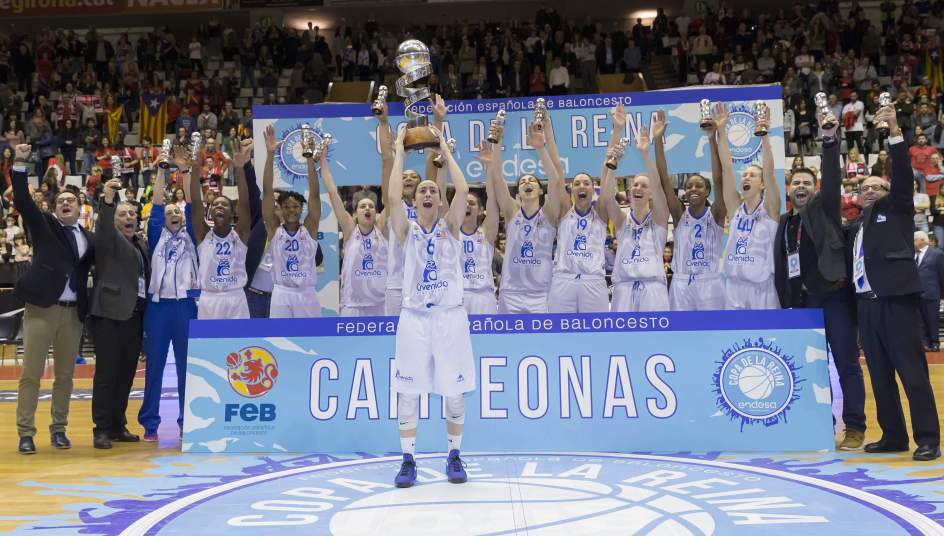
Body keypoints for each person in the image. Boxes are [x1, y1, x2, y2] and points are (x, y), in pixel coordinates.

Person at [774, 111, 867, 451]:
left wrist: (829, 140)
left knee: (845, 364)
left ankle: (855, 427)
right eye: (795, 183)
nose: (801, 187)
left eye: (806, 183)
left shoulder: (825, 209)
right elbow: (784, 267)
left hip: (835, 298)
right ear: (788, 189)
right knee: (813, 370)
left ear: (814, 190)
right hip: (804, 305)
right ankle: (821, 425)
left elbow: (831, 175)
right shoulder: (784, 223)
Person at [851, 106, 940, 461]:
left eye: (877, 186)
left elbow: (902, 175)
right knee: (880, 376)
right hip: (867, 305)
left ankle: (928, 438)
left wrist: (894, 133)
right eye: (864, 187)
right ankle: (893, 435)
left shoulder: (898, 208)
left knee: (912, 372)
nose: (870, 190)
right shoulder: (858, 226)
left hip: (896, 301)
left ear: (889, 190)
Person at [388, 125, 474, 488]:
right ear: (415, 200)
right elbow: (392, 199)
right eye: (421, 189)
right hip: (414, 318)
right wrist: (398, 153)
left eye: (433, 190)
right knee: (407, 393)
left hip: (449, 316)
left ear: (440, 201)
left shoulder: (451, 225)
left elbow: (466, 189)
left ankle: (454, 454)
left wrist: (446, 151)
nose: (426, 192)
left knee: (454, 391)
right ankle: (408, 459)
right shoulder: (406, 228)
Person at [11, 144, 93, 454]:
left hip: (72, 316)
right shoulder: (45, 226)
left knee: (65, 377)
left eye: (72, 199)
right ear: (55, 207)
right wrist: (20, 162)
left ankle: (59, 429)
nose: (66, 203)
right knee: (31, 374)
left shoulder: (88, 237)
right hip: (41, 311)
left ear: (80, 206)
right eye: (61, 200)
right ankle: (25, 432)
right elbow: (22, 199)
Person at [138, 147, 199, 442]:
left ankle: (187, 419)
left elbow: (192, 204)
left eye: (179, 211)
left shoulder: (193, 235)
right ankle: (150, 421)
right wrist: (163, 170)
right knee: (155, 367)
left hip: (187, 306)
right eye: (170, 212)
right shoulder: (156, 233)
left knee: (188, 367)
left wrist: (185, 172)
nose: (175, 213)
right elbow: (158, 202)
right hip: (158, 307)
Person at [88, 178, 149, 449]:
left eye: (132, 214)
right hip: (110, 315)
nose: (128, 218)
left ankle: (117, 425)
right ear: (114, 220)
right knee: (106, 374)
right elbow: (102, 227)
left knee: (125, 374)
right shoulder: (107, 239)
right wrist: (109, 200)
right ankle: (101, 428)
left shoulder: (140, 244)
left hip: (134, 316)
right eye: (122, 214)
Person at [489, 115, 563, 313]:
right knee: (509, 344)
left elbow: (555, 181)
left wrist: (540, 148)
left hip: (541, 292)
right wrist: (497, 143)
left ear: (540, 190)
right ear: (518, 193)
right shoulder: (512, 211)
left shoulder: (548, 212)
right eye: (522, 182)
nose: (527, 183)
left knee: (542, 343)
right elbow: (497, 179)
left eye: (532, 181)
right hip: (510, 292)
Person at [381, 96, 447, 316]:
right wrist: (383, 123)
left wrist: (437, 121)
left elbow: (432, 162)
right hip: (397, 284)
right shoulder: (394, 206)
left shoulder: (429, 207)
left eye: (413, 177)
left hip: (425, 283)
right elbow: (387, 163)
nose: (408, 178)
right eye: (404, 176)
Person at [656, 106, 727, 310]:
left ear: (707, 191)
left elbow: (719, 178)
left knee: (712, 336)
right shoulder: (679, 214)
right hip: (681, 283)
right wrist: (658, 141)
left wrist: (712, 138)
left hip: (710, 283)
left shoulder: (716, 213)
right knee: (681, 337)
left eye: (698, 185)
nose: (692, 189)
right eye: (688, 186)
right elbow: (663, 179)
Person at [600, 106, 670, 312]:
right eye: (634, 185)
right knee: (622, 344)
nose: (637, 188)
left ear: (650, 194)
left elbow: (658, 186)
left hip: (653, 289)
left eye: (643, 185)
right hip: (624, 289)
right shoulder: (622, 220)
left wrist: (646, 154)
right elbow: (606, 196)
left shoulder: (659, 218)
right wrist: (612, 166)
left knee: (656, 343)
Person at [719, 106, 781, 309]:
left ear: (762, 184)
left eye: (752, 175)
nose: (746, 177)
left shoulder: (770, 209)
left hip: (761, 289)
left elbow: (770, 173)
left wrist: (764, 137)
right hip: (733, 289)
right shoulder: (735, 208)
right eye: (744, 174)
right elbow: (726, 168)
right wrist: (721, 131)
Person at [262, 125, 321, 318]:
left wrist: (310, 159)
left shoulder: (309, 228)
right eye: (287, 206)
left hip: (307, 293)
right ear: (281, 209)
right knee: (280, 340)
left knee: (313, 341)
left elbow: (314, 195)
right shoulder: (274, 229)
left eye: (296, 206)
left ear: (301, 209)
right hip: (281, 293)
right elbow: (268, 191)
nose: (291, 209)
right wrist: (270, 155)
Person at [189, 139, 252, 319]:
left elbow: (245, 204)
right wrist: (195, 168)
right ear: (210, 210)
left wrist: (239, 168)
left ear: (232, 212)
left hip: (236, 298)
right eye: (215, 204)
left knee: (239, 346)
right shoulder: (203, 235)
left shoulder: (240, 234)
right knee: (209, 347)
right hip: (209, 299)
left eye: (224, 205)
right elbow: (195, 204)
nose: (219, 207)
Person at [322, 146, 388, 317]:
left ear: (376, 212)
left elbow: (392, 197)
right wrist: (322, 161)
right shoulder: (350, 229)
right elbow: (332, 193)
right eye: (362, 206)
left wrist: (392, 156)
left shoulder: (382, 228)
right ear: (355, 213)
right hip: (352, 305)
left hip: (380, 304)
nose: (367, 208)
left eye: (371, 206)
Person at [915, 231, 944, 352]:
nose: (913, 242)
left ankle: (934, 342)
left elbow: (942, 274)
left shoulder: (937, 254)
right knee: (919, 321)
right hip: (916, 293)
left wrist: (942, 294)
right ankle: (924, 342)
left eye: (915, 239)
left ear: (922, 240)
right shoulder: (912, 254)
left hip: (932, 292)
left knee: (932, 319)